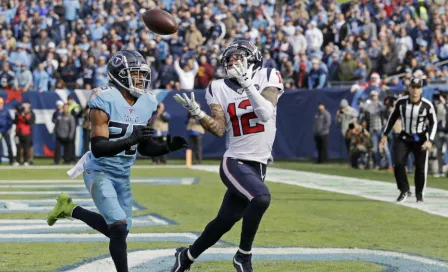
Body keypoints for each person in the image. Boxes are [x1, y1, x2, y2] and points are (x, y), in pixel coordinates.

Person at [46, 50, 188, 272]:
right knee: (119, 228)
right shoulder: (104, 99)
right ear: (120, 75)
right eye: (135, 74)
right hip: (99, 170)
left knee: (119, 229)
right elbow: (98, 148)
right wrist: (130, 138)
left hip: (123, 173)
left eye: (142, 75)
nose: (141, 80)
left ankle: (69, 209)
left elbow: (143, 146)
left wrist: (167, 147)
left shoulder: (147, 102)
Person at [172, 40, 284, 272]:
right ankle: (243, 256)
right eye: (229, 59)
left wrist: (247, 84)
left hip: (258, 165)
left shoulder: (268, 75)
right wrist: (199, 114)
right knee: (261, 198)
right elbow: (218, 128)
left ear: (252, 58)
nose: (232, 62)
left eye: (238, 57)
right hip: (235, 161)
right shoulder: (217, 87)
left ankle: (187, 256)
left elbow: (265, 113)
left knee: (225, 221)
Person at [380, 78, 437, 203]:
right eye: (413, 87)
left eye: (418, 87)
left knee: (420, 169)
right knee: (398, 163)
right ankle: (404, 189)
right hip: (405, 136)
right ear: (409, 88)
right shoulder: (401, 103)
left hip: (421, 138)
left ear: (421, 89)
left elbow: (434, 123)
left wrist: (430, 140)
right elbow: (392, 118)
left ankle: (419, 194)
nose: (415, 90)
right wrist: (385, 134)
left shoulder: (427, 105)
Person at [0, 97, 13, 165]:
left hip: (5, 130)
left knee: (9, 144)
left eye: (0, 104)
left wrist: (10, 128)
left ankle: (11, 160)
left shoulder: (6, 111)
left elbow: (10, 120)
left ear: (2, 104)